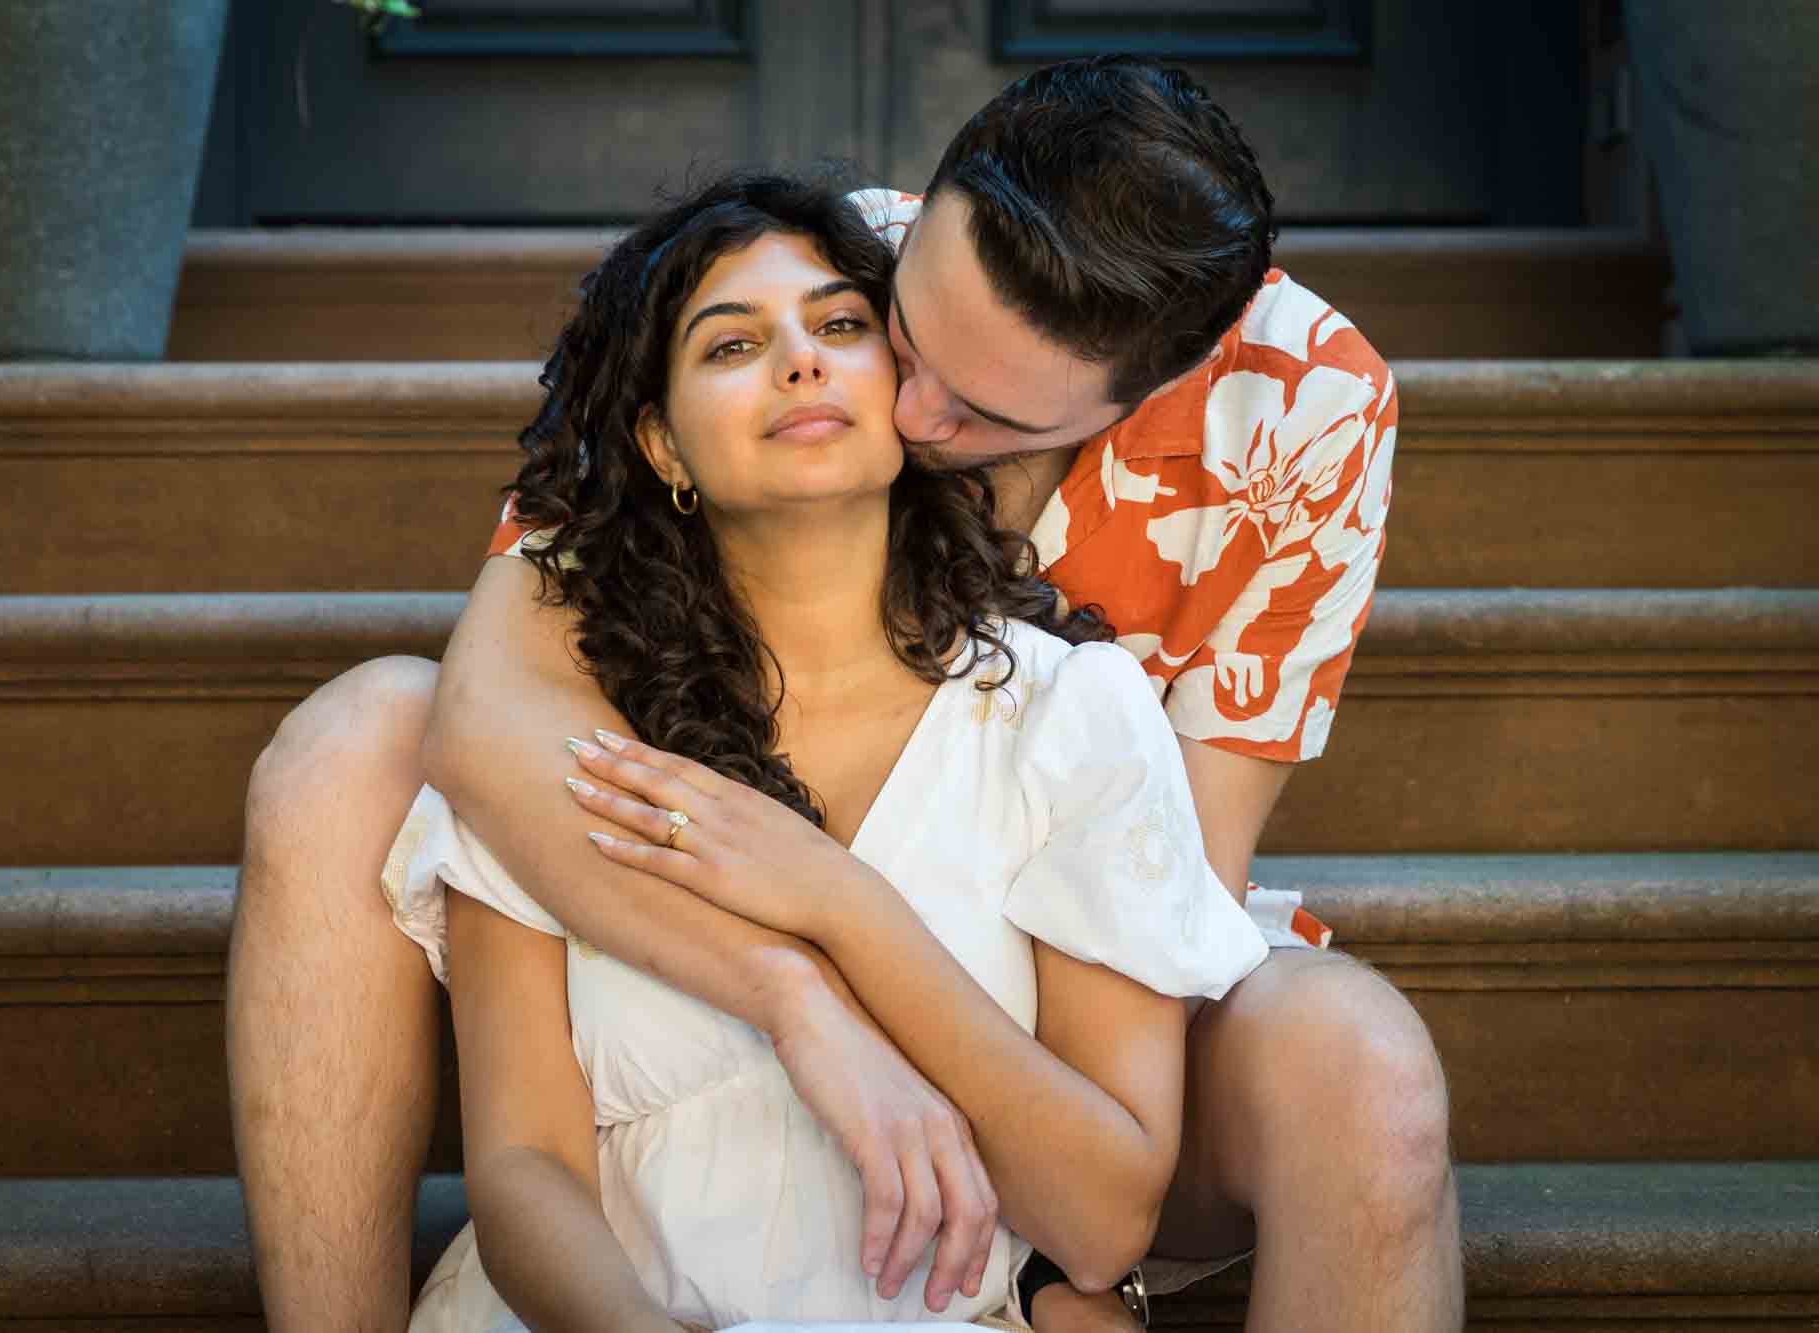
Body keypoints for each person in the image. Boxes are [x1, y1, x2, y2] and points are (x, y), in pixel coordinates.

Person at [229, 55, 1462, 1332]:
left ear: (1144, 392)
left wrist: (1058, 1268)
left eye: (981, 410)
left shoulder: (1304, 406)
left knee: (1363, 1066)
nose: (908, 410)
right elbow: (491, 713)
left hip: (1078, 987)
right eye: (905, 339)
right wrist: (791, 989)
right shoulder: (811, 263)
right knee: (357, 733)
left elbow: (1177, 888)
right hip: (693, 899)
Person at [385, 170, 1272, 1332]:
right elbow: (518, 1170)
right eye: (730, 345)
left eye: (839, 324)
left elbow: (1102, 1224)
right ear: (662, 446)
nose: (799, 359)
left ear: (900, 388)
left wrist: (845, 907)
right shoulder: (571, 732)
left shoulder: (1070, 715)